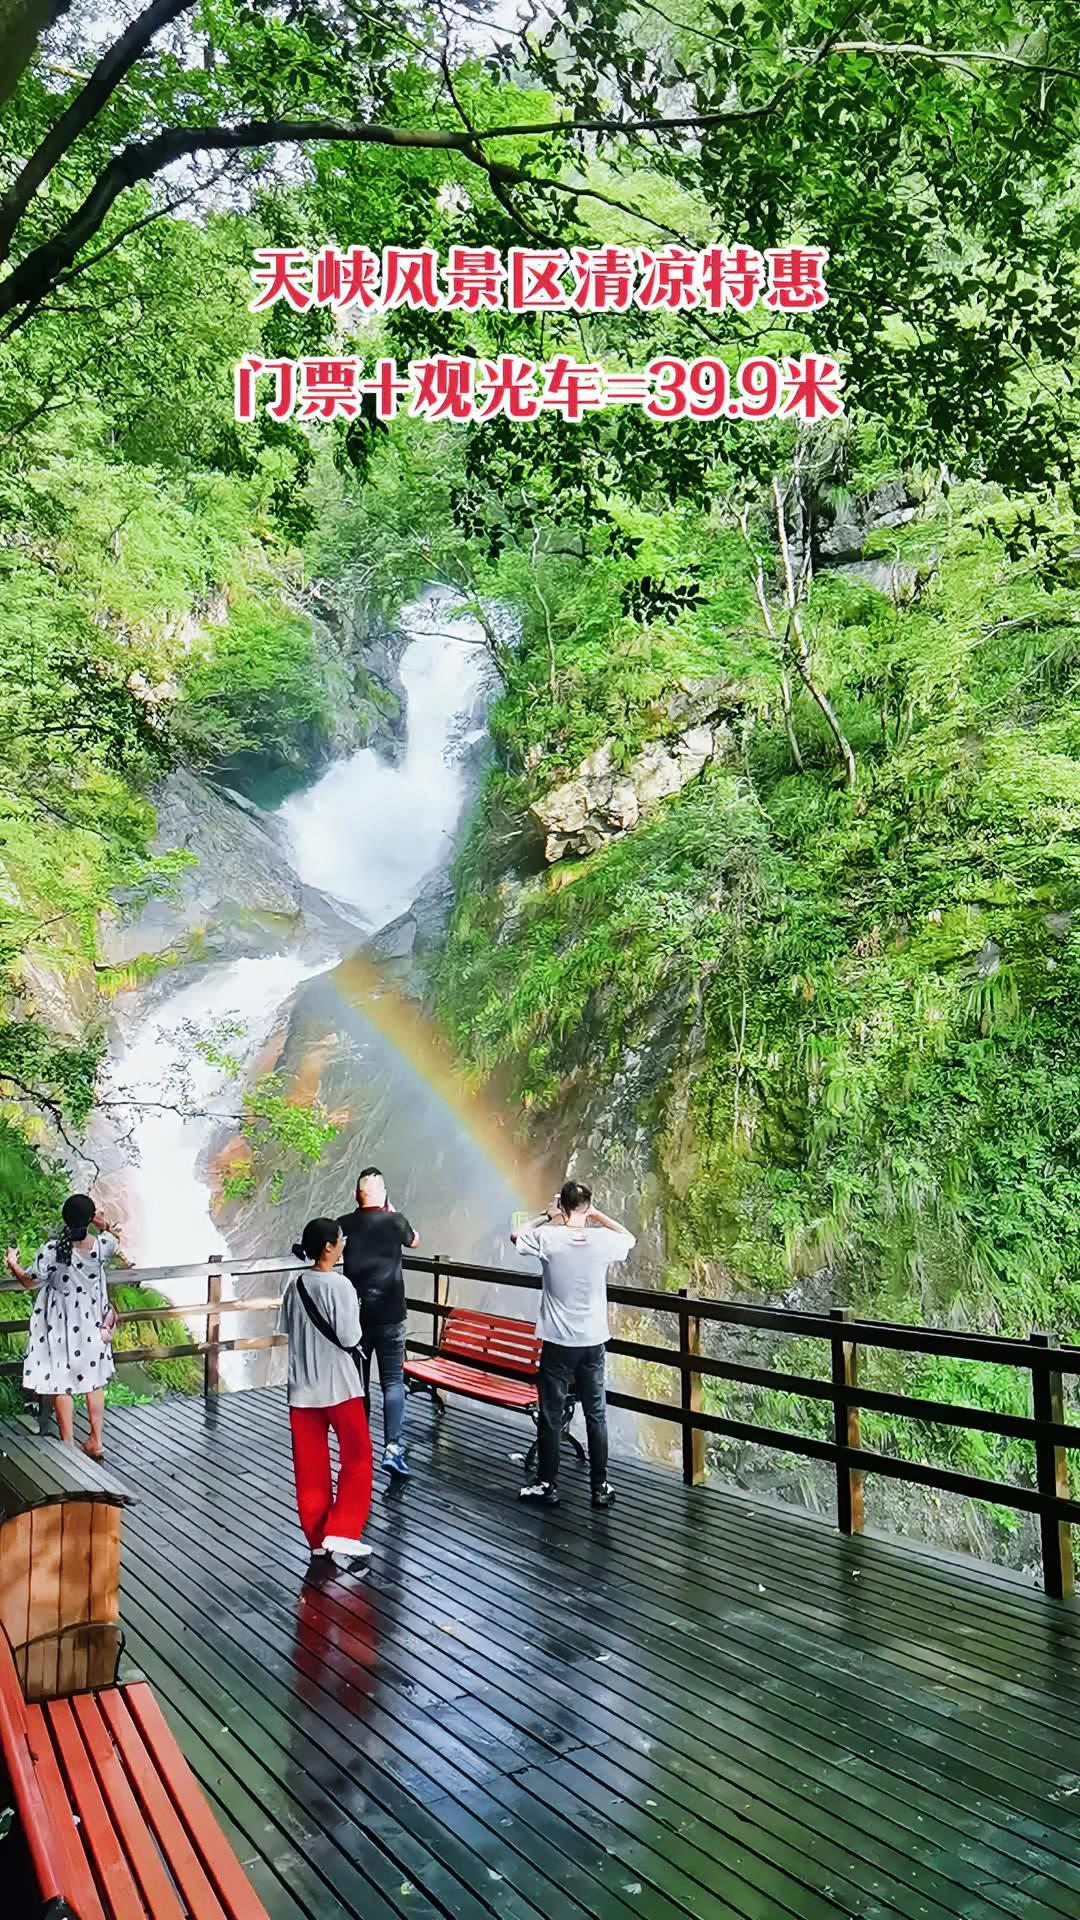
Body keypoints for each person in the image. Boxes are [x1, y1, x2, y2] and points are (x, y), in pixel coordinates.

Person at [511, 1180, 635, 1511]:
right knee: (596, 1414)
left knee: (552, 1414)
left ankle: (547, 1484)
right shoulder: (603, 1240)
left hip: (558, 1341)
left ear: (562, 1208)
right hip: (593, 1341)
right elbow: (630, 1239)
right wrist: (597, 1215)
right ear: (587, 1206)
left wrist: (544, 1215)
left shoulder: (549, 1237)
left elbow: (515, 1235)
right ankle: (600, 1486)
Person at [279, 1218, 373, 1571]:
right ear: (330, 1248)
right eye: (340, 1238)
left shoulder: (296, 1284)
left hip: (302, 1391)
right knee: (358, 1458)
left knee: (310, 1467)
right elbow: (350, 1338)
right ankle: (344, 1530)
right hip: (340, 1386)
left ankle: (317, 1540)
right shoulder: (341, 1286)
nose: (344, 1242)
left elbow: (287, 1328)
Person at [4, 1194, 124, 1460]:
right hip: (92, 1321)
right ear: (91, 1218)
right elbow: (114, 1238)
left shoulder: (52, 1250)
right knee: (94, 1383)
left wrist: (12, 1262)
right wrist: (102, 1223)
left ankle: (68, 1445)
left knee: (62, 1382)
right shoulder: (102, 1246)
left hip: (61, 1324)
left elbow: (28, 1281)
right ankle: (96, 1441)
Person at [338, 1168, 418, 1478]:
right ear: (383, 1194)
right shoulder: (395, 1222)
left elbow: (323, 1249)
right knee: (392, 1382)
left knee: (359, 1385)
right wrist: (393, 1212)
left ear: (357, 1195)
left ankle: (359, 1450)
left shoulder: (344, 1224)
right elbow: (415, 1242)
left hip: (356, 1317)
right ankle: (393, 1448)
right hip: (391, 1316)